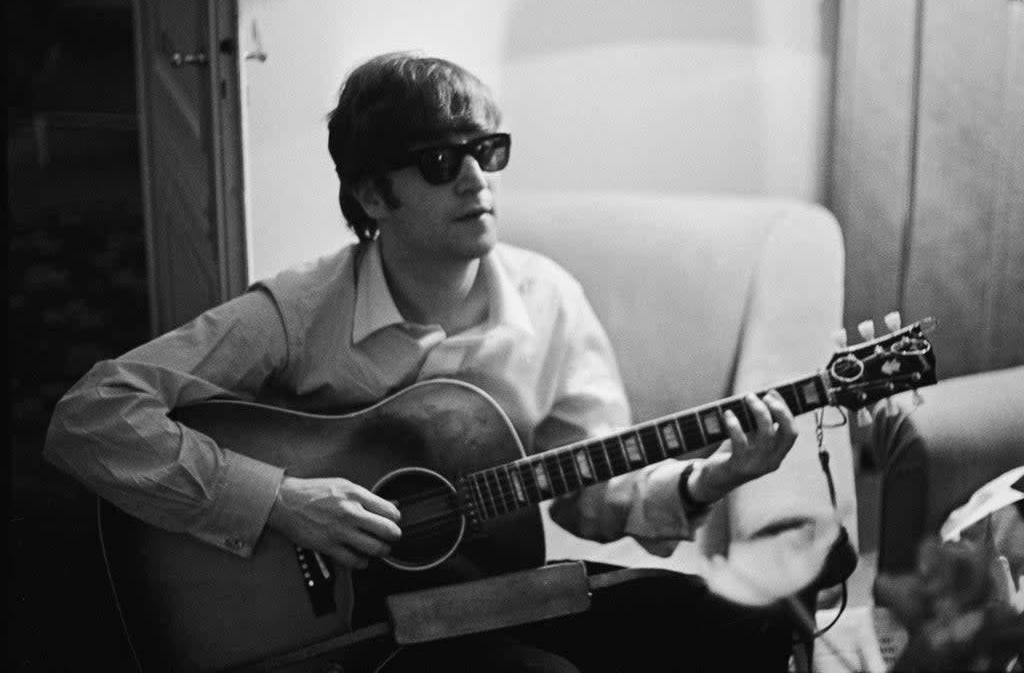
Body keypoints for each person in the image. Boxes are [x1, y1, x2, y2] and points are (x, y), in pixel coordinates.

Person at [45, 51, 803, 672]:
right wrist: (279, 501)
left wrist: (711, 478)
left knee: (751, 627)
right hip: (358, 632)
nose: (478, 180)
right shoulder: (298, 311)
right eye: (442, 161)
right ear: (374, 196)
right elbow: (91, 417)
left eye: (487, 151)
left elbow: (592, 497)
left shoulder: (550, 301)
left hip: (502, 593)